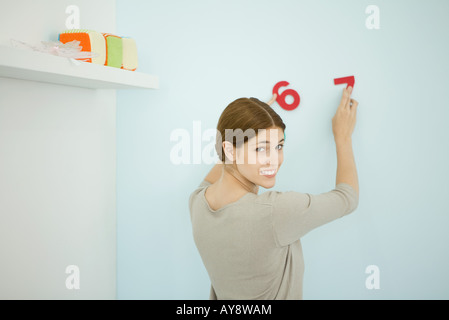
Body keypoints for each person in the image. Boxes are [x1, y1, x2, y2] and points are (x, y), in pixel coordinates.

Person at [188, 87, 359, 299]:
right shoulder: (274, 212)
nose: (274, 160)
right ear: (230, 150)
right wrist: (343, 136)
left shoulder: (197, 201)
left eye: (279, 146)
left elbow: (222, 164)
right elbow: (347, 198)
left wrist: (256, 123)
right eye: (261, 149)